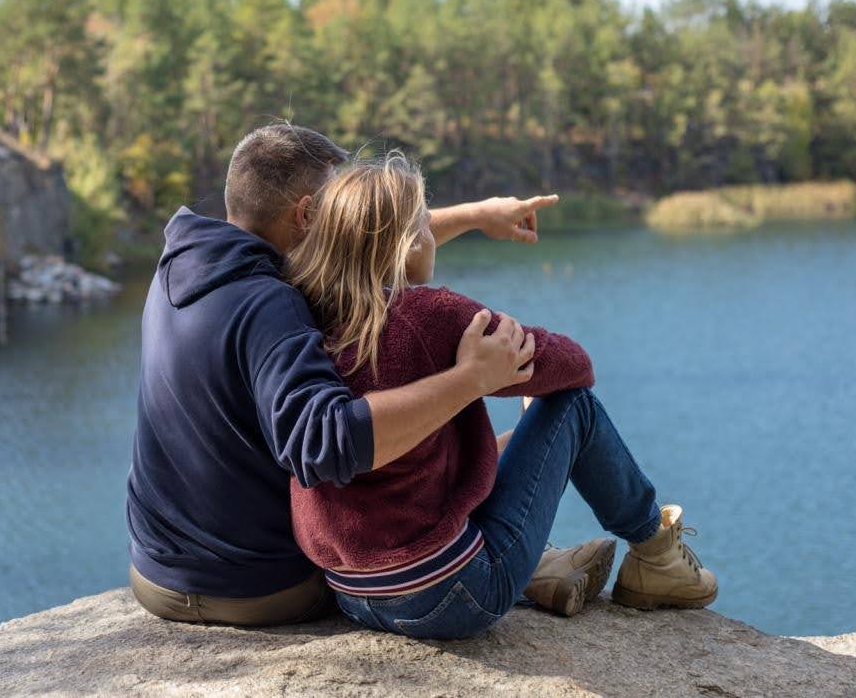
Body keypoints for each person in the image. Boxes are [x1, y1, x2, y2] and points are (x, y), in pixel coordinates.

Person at [126, 123, 562, 625]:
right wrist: (470, 380)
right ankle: (525, 566)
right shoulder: (273, 305)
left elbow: (361, 251)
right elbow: (328, 444)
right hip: (263, 591)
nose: (350, 221)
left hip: (156, 578)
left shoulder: (182, 268)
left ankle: (534, 566)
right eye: (338, 209)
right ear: (309, 215)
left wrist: (477, 215)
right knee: (455, 459)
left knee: (474, 448)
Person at [284, 152, 718, 639]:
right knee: (570, 405)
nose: (431, 230)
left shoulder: (303, 312)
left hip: (350, 592)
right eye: (424, 221)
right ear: (405, 244)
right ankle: (655, 554)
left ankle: (545, 571)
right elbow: (575, 365)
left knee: (490, 443)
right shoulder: (430, 315)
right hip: (453, 596)